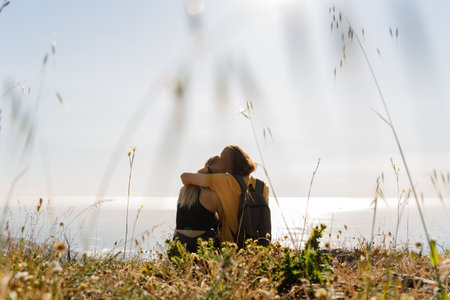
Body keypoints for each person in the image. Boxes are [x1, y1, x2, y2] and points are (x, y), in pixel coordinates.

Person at [181, 145, 269, 244]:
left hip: (230, 245)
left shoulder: (226, 180)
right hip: (256, 247)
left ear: (227, 164)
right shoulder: (263, 186)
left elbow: (185, 177)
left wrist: (208, 169)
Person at [173, 157, 221, 252]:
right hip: (201, 243)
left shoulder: (184, 191)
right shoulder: (210, 195)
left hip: (179, 242)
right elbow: (220, 223)